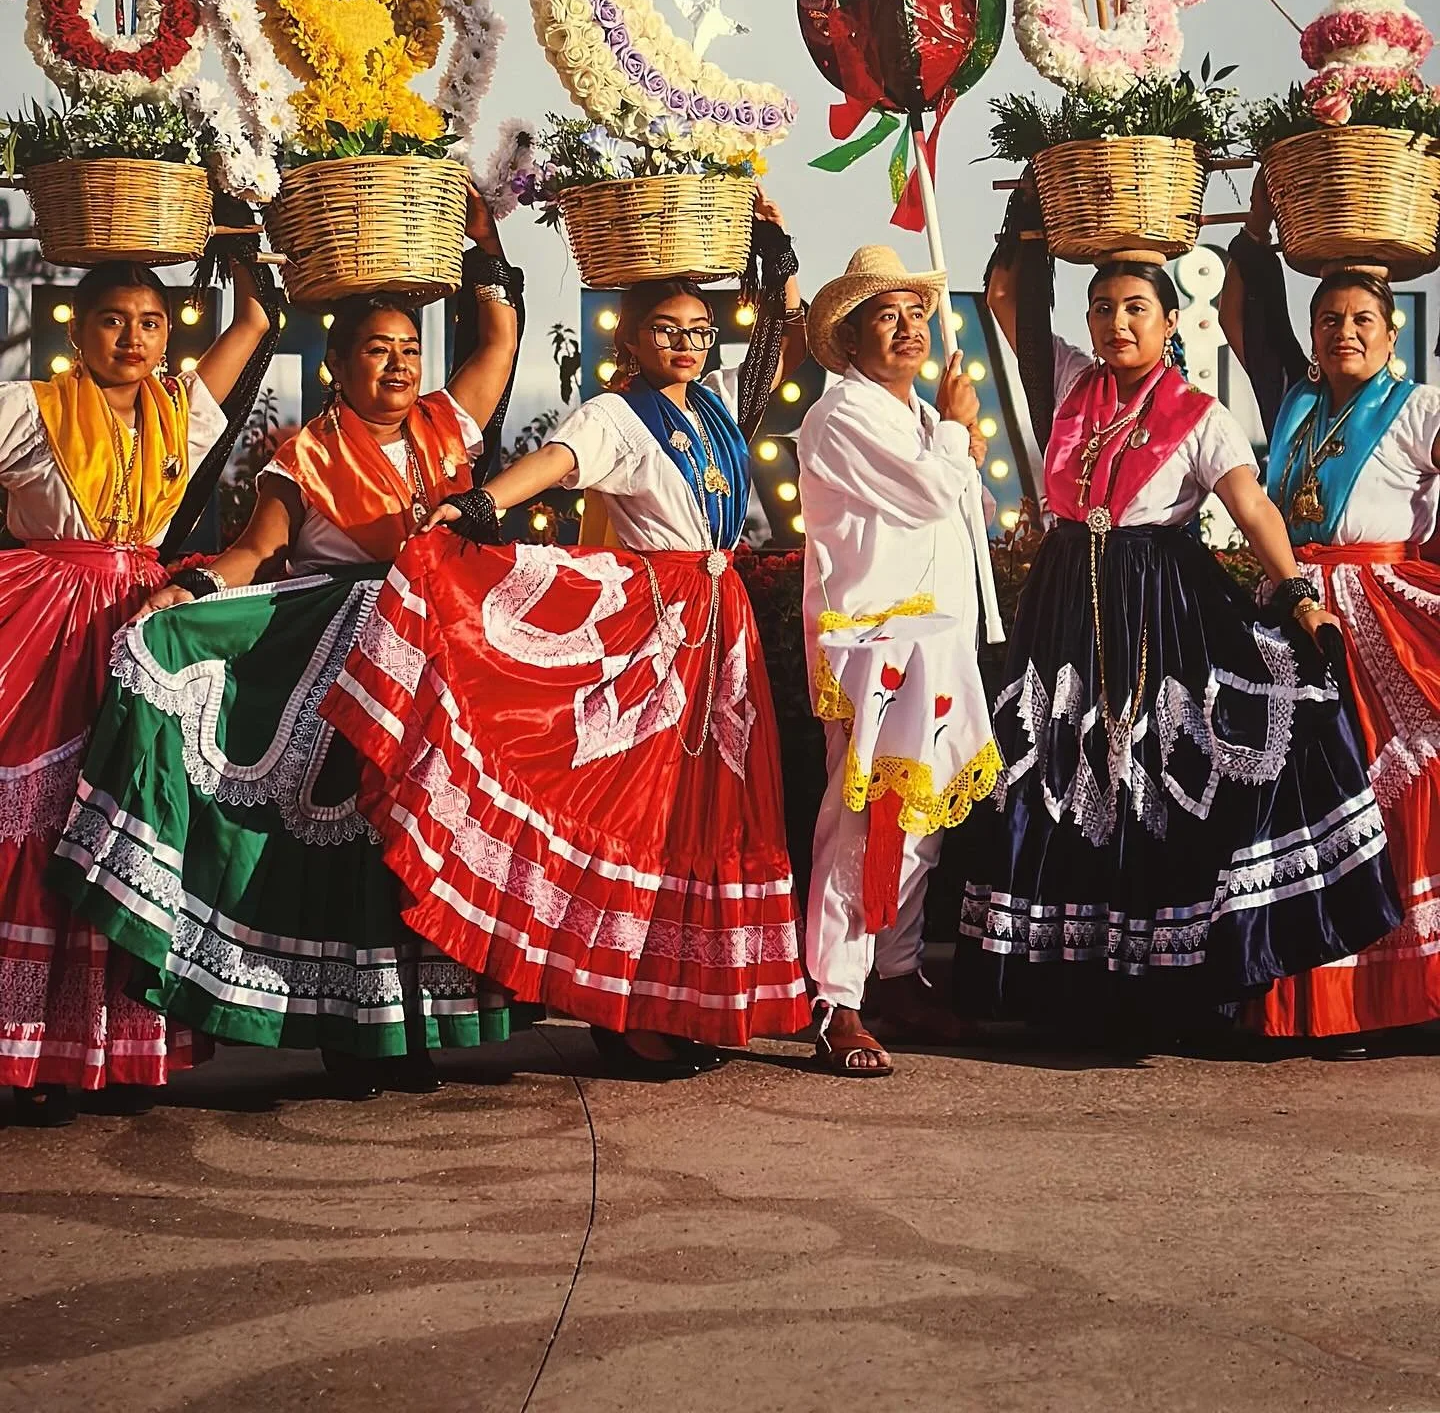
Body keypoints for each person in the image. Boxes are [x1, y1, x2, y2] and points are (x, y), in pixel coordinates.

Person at [322, 197, 814, 1079]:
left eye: (701, 331)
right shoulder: (616, 414)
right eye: (667, 331)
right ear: (630, 339)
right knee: (636, 810)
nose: (689, 345)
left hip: (719, 629)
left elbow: (775, 353)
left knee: (703, 817)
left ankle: (676, 994)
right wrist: (480, 505)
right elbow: (554, 464)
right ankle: (617, 1005)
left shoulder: (712, 412)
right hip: (656, 628)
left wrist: (772, 255)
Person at [52, 188, 519, 1099]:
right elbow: (255, 552)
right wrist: (188, 590)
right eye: (375, 349)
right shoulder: (303, 453)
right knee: (355, 845)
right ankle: (356, 1038)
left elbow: (496, 342)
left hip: (437, 652)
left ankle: (418, 1025)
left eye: (409, 349)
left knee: (435, 832)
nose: (396, 363)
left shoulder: (442, 423)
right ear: (336, 364)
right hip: (341, 661)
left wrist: (486, 246)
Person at [952, 185, 1401, 1044]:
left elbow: (1255, 509)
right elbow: (1006, 298)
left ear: (1169, 323)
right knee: (1056, 780)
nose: (1117, 323)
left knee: (1146, 786)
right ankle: (1055, 990)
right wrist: (1027, 224)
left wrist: (1300, 597)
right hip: (1062, 606)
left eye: (1135, 309)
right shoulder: (1070, 386)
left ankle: (1160, 994)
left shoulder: (1203, 416)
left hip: (1158, 608)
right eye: (1102, 309)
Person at [0, 255, 272, 1123]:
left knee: (130, 819)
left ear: (167, 338)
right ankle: (31, 1049)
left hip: (138, 625)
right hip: (46, 624)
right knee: (44, 822)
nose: (131, 337)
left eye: (149, 323)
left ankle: (113, 1045)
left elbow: (255, 323)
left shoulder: (175, 416)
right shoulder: (26, 409)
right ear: (73, 332)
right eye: (112, 320)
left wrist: (240, 219)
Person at [1222, 176, 1440, 1045]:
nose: (1344, 332)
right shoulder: (1299, 405)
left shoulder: (1416, 405)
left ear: (1392, 337)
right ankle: (1308, 991)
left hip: (1376, 609)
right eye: (1329, 321)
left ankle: (1401, 994)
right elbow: (1250, 318)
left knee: (1388, 792)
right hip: (1295, 608)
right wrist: (1258, 228)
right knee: (1300, 801)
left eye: (1362, 322)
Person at [797, 246, 1001, 1076]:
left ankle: (898, 972)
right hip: (874, 639)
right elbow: (924, 494)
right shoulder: (842, 413)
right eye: (888, 316)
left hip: (938, 639)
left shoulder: (915, 416)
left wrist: (954, 443)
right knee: (863, 823)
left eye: (917, 314)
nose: (910, 328)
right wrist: (957, 427)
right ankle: (835, 998)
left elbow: (961, 506)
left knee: (921, 821)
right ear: (848, 339)